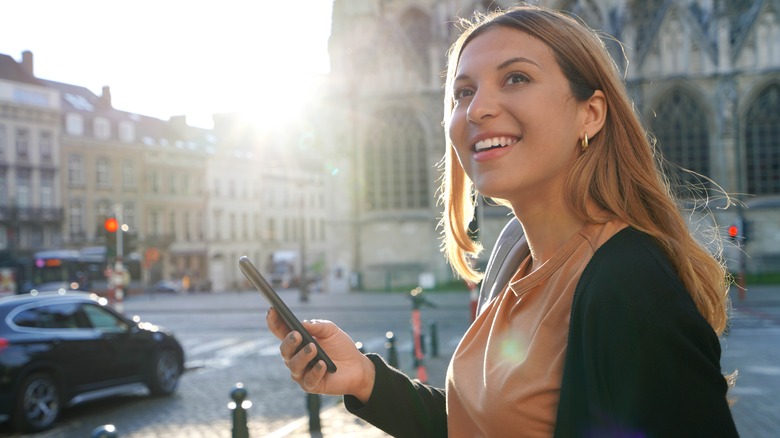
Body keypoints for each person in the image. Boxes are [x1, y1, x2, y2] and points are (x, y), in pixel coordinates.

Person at [266, 5, 739, 437]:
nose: (477, 109)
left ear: (591, 113)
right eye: (463, 92)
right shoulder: (516, 256)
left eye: (515, 78)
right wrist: (367, 379)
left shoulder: (630, 286)